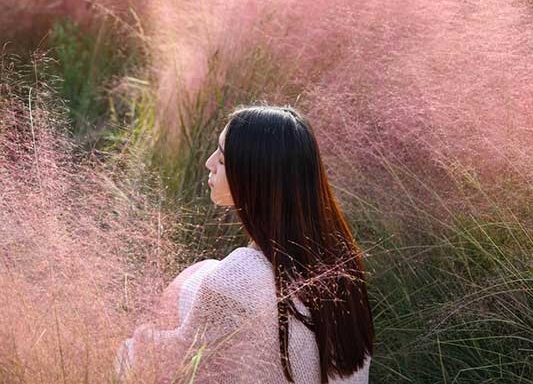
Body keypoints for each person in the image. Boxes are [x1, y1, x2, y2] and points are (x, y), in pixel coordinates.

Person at [115, 104, 374, 383]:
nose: (209, 163)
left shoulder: (238, 279)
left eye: (223, 161)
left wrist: (132, 343)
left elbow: (164, 364)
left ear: (255, 177)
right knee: (202, 273)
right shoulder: (337, 263)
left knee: (188, 286)